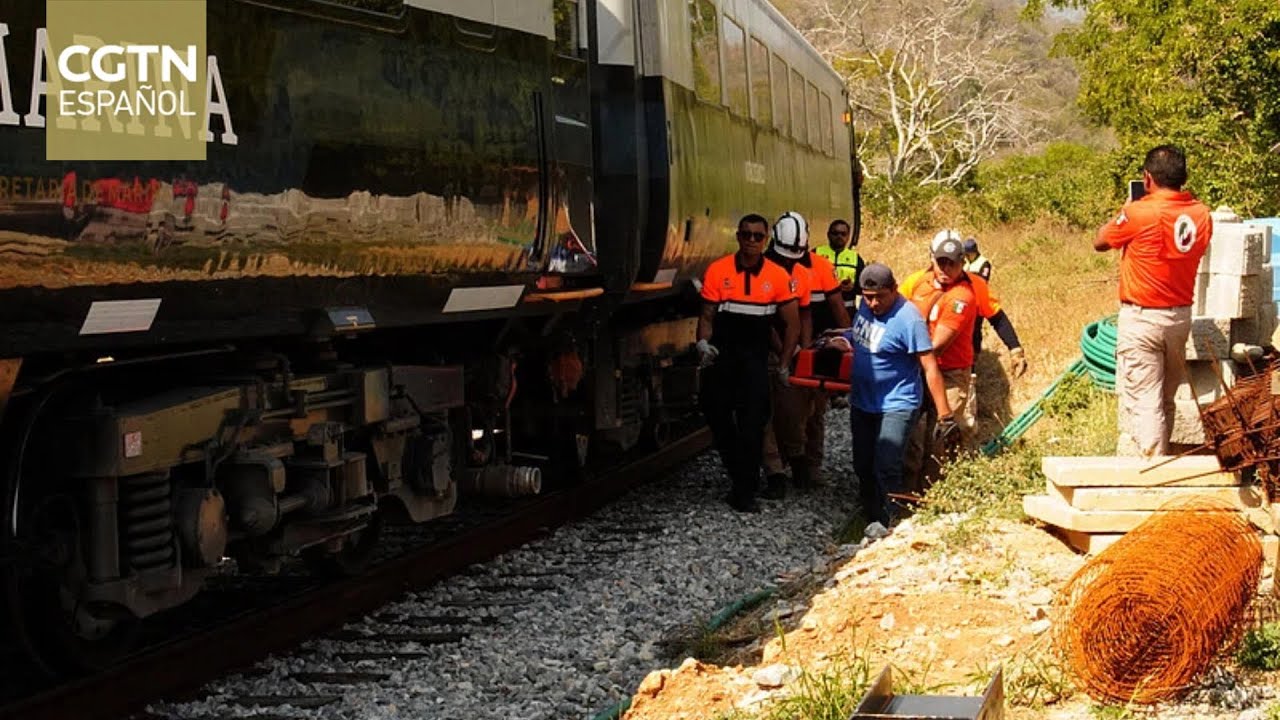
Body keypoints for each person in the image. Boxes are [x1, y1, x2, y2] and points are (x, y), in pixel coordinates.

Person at [1094, 144, 1212, 457]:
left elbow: (1101, 241)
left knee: (1145, 401)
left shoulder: (1138, 212)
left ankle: (1150, 473)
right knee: (1165, 399)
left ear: (1147, 179)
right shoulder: (1202, 215)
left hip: (1142, 318)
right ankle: (1162, 459)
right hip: (1179, 318)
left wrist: (1125, 209)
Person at [826, 263, 953, 535]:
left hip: (897, 402)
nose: (873, 303)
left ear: (894, 290)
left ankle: (893, 522)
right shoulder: (865, 307)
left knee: (887, 465)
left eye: (880, 296)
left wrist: (945, 414)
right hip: (863, 401)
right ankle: (870, 516)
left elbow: (929, 366)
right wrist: (844, 338)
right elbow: (865, 338)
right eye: (868, 297)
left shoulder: (909, 319)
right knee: (862, 463)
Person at [697, 213, 801, 512]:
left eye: (758, 236)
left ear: (765, 239)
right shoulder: (718, 271)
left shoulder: (777, 276)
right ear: (738, 237)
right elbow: (707, 316)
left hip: (755, 360)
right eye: (746, 235)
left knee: (753, 424)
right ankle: (741, 475)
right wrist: (703, 344)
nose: (752, 241)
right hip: (722, 357)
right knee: (717, 417)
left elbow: (791, 324)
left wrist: (782, 363)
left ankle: (745, 491)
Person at [900, 232, 979, 494]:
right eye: (940, 262)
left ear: (961, 263)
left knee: (941, 439)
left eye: (952, 263)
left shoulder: (962, 297)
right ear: (932, 260)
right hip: (918, 368)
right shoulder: (921, 283)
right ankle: (905, 497)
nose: (945, 269)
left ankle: (932, 498)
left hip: (950, 373)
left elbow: (937, 346)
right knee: (910, 434)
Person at [760, 211, 816, 499]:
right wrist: (781, 353)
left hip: (791, 351)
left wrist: (802, 350)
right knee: (763, 415)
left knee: (793, 412)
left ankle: (797, 459)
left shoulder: (801, 274)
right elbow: (766, 320)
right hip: (766, 350)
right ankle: (775, 473)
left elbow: (804, 315)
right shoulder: (761, 271)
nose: (788, 261)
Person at [815, 219, 864, 312]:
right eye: (835, 233)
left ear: (848, 236)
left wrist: (852, 287)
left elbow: (863, 288)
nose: (839, 236)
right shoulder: (816, 254)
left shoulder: (855, 258)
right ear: (828, 235)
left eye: (843, 234)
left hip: (846, 310)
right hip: (820, 310)